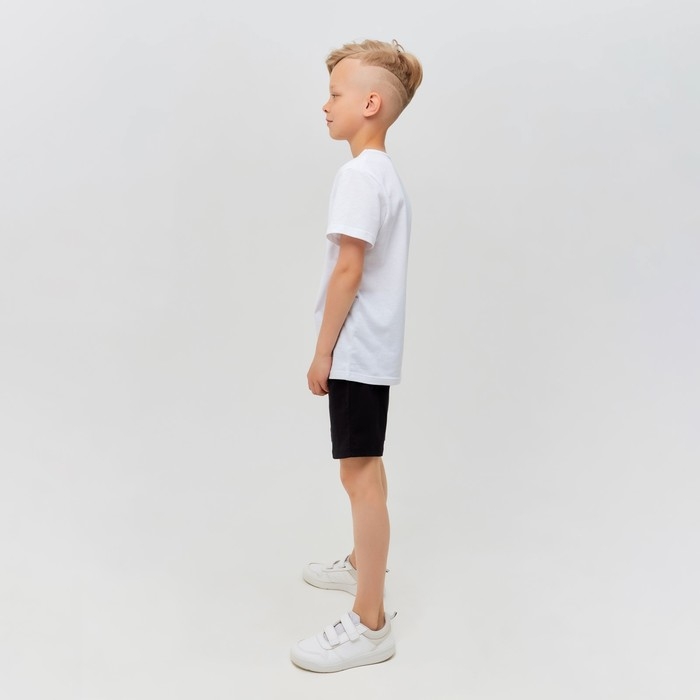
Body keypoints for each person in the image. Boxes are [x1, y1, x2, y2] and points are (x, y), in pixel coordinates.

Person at [290, 39, 423, 673]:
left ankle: (370, 623)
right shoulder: (383, 173)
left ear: (370, 104)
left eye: (335, 94)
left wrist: (322, 353)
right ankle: (361, 564)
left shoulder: (358, 176)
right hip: (373, 347)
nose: (325, 105)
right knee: (368, 468)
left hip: (356, 348)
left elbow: (349, 269)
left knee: (358, 475)